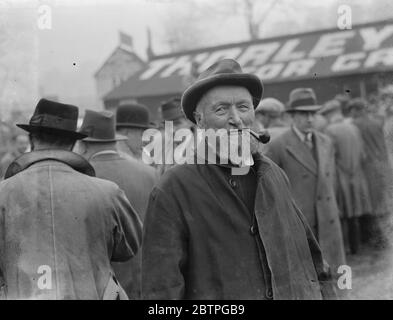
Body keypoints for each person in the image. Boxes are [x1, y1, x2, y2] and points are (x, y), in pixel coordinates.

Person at [142, 59, 336, 300]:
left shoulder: (273, 173)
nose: (236, 119)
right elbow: (162, 290)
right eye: (221, 109)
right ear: (200, 121)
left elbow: (310, 255)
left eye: (243, 107)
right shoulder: (174, 188)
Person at [0, 99, 142, 300]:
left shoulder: (3, 194)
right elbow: (129, 247)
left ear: (32, 139)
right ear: (73, 143)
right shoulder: (107, 192)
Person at [77, 109, 156, 299]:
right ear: (115, 139)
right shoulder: (149, 173)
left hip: (100, 286)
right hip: (143, 280)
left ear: (84, 144)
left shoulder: (80, 178)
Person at [266, 88, 346, 276]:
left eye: (312, 113)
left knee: (335, 279)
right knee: (309, 279)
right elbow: (270, 190)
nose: (310, 119)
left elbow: (331, 182)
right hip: (302, 226)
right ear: (292, 116)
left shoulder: (326, 142)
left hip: (329, 221)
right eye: (303, 114)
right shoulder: (278, 146)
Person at [318, 100, 371, 254]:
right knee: (354, 212)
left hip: (340, 176)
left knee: (342, 213)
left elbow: (328, 157)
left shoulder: (330, 130)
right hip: (356, 175)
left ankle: (345, 248)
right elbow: (363, 154)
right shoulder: (353, 127)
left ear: (330, 114)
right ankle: (357, 246)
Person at [347, 98, 392, 248]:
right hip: (383, 164)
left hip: (368, 168)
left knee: (373, 203)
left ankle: (380, 239)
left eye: (352, 110)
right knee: (384, 201)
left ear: (357, 110)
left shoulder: (355, 125)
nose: (351, 113)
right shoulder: (377, 121)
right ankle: (385, 236)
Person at [155, 97, 195, 176]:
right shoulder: (164, 150)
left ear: (189, 122)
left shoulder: (200, 148)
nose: (172, 130)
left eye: (177, 124)